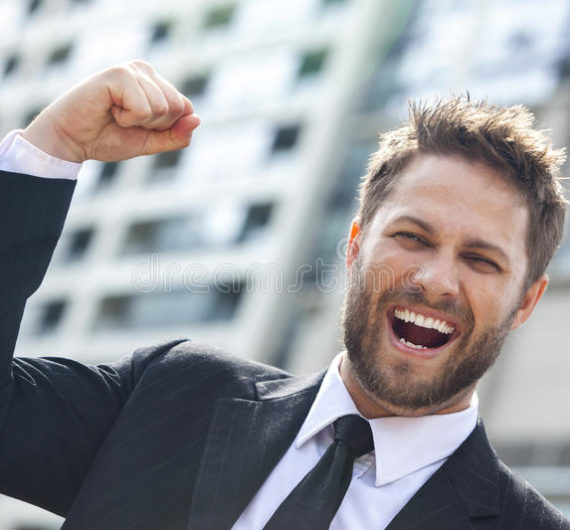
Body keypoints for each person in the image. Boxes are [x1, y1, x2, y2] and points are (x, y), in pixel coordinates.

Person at [0, 61, 568, 530]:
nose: (438, 281)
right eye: (412, 237)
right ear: (353, 248)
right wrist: (51, 151)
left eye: (480, 260)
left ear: (525, 301)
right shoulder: (175, 391)